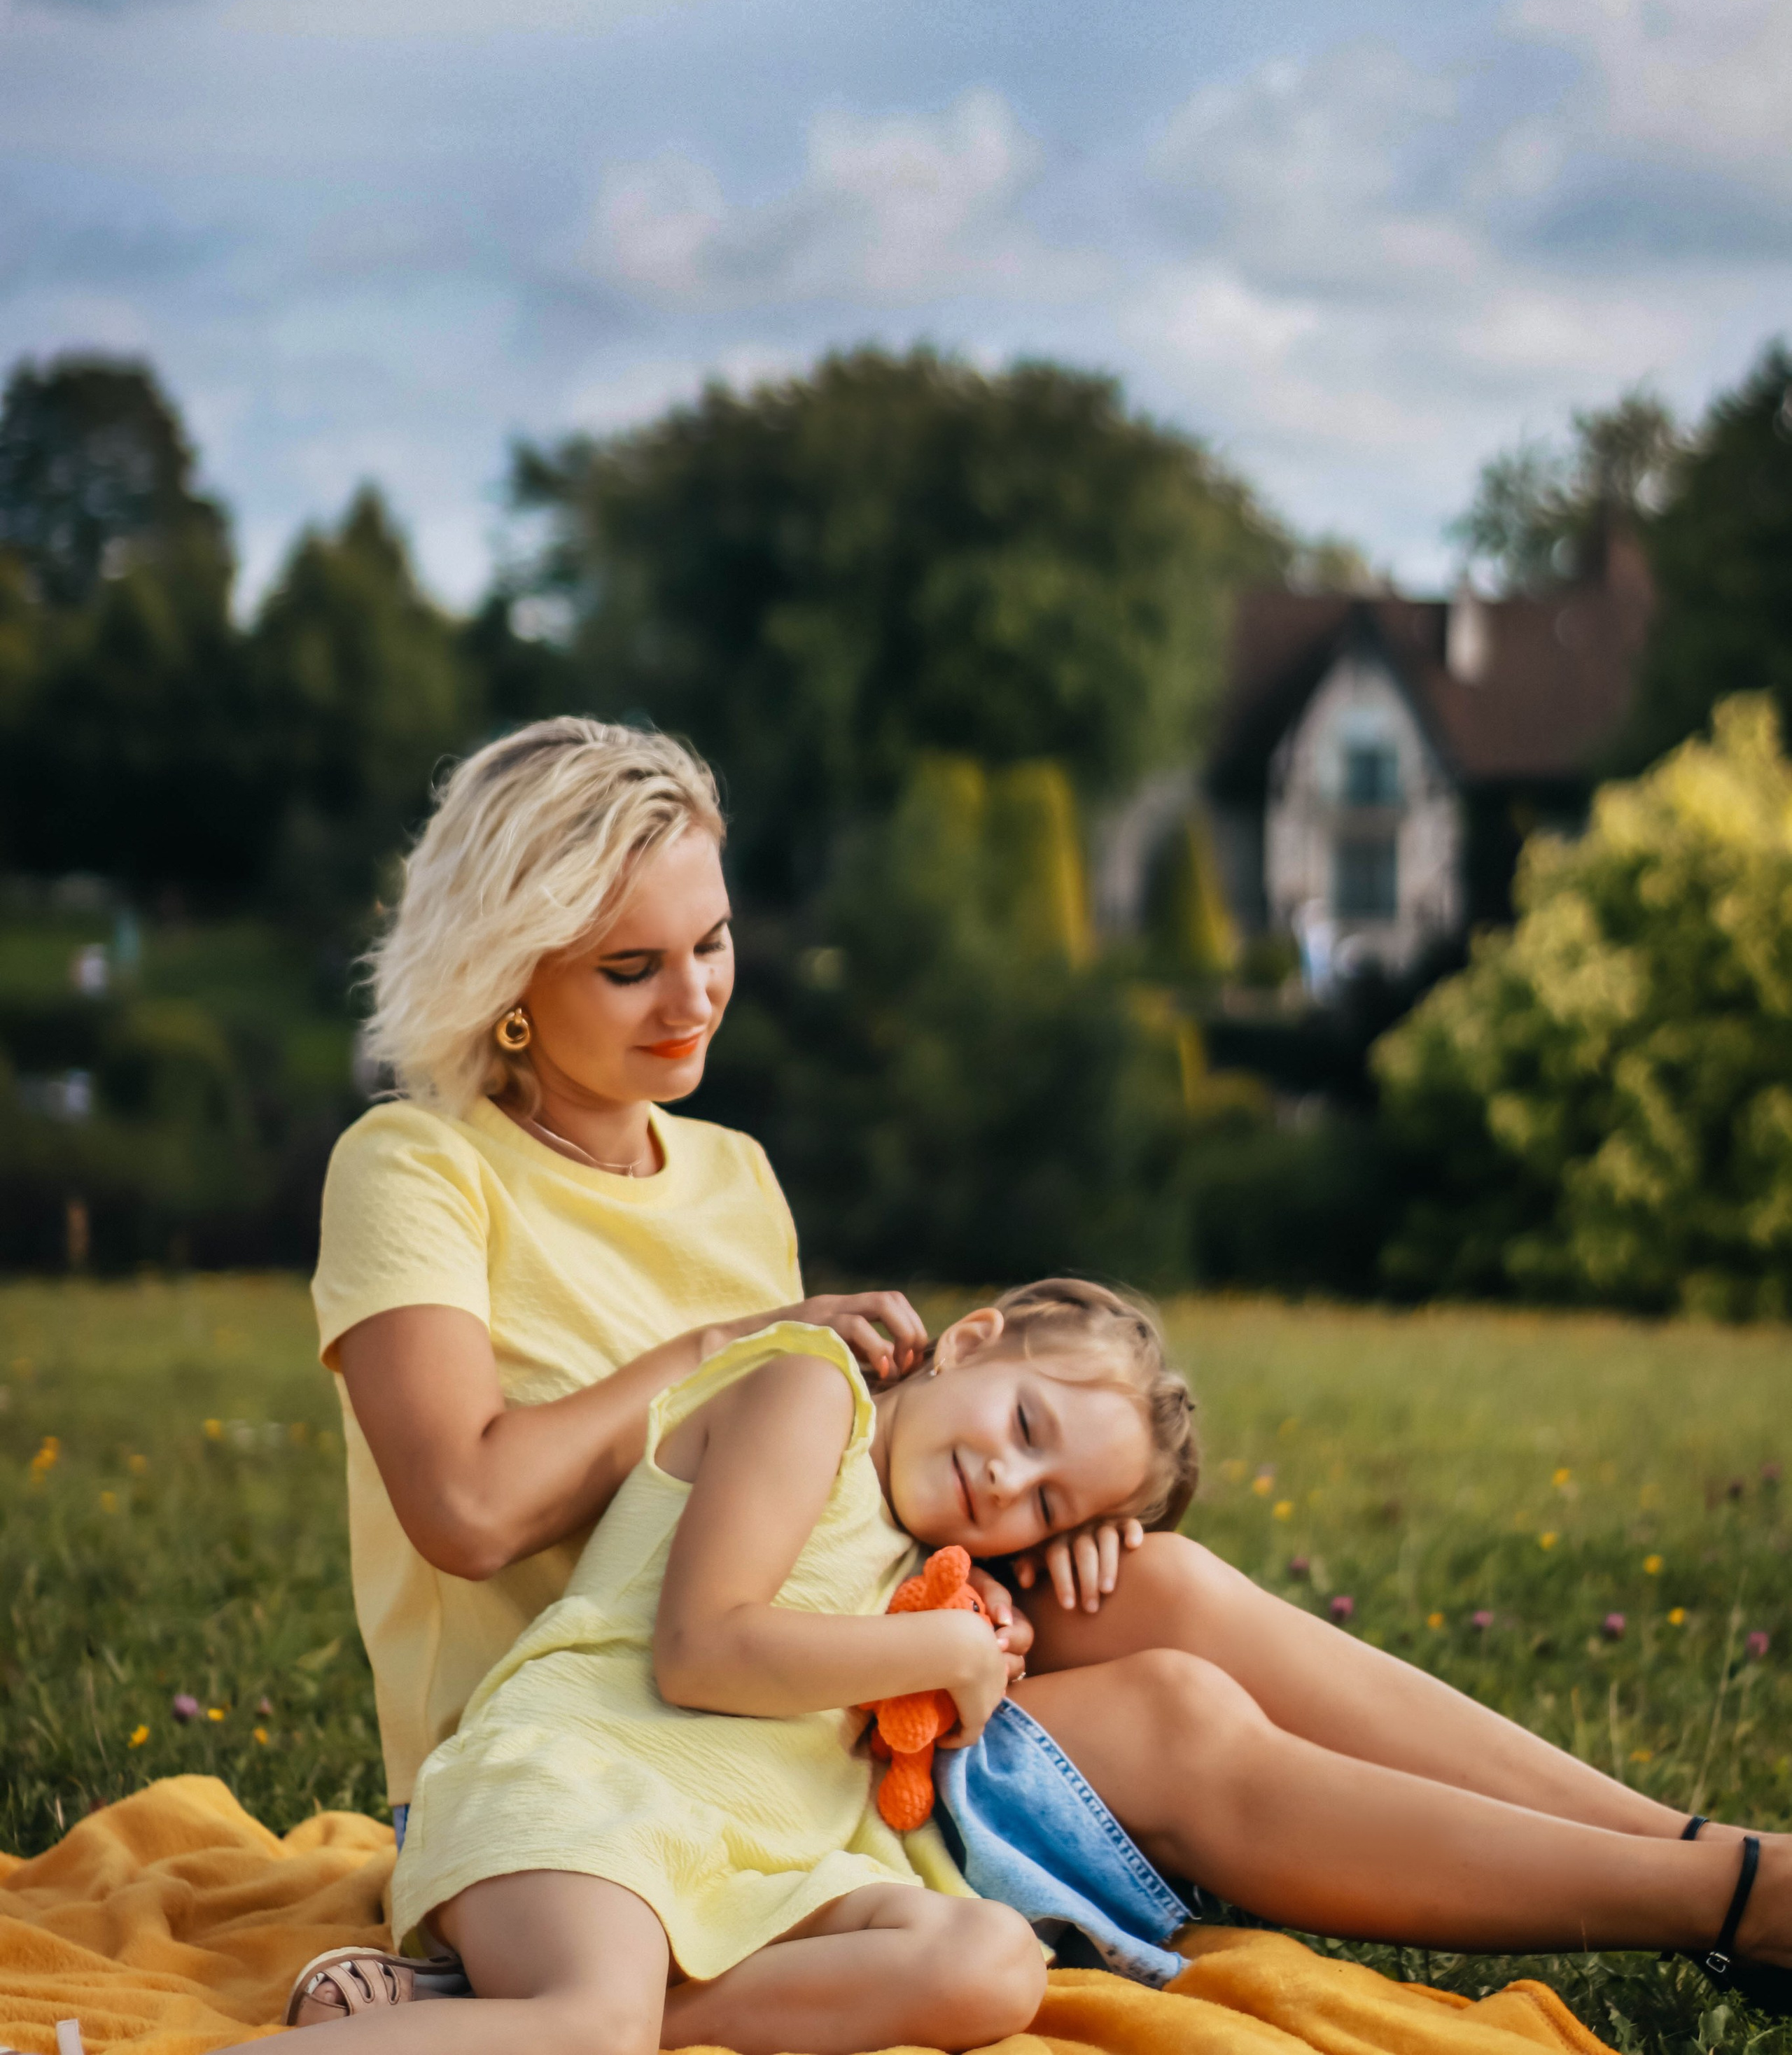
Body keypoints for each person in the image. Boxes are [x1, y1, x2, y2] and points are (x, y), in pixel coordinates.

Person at [305, 717, 1792, 2018]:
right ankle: (1709, 1901)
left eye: (713, 942)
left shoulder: (733, 1175)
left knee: (1164, 1591)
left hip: (778, 1698)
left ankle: (1698, 1859)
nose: (693, 998)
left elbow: (798, 1490)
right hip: (564, 1767)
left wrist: (1024, 1526)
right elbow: (468, 1505)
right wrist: (714, 1347)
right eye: (631, 967)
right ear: (508, 970)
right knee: (1181, 1722)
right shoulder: (417, 1168)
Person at [271, 1281, 1195, 2055]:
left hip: (752, 1861)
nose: (1007, 1481)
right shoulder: (808, 1394)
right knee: (596, 2025)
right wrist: (947, 1651)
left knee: (992, 1964)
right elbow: (702, 1653)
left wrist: (989, 1610)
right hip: (592, 1790)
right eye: (1026, 1425)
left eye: (1047, 1506)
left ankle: (494, 2013)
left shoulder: (930, 1570)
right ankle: (584, 2018)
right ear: (969, 1342)